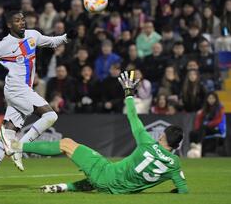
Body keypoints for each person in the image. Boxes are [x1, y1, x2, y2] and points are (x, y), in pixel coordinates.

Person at [0, 10, 77, 191]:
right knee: (50, 116)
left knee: (8, 133)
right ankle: (20, 148)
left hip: (24, 90)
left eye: (23, 19)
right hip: (16, 89)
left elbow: (51, 42)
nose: (22, 22)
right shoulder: (4, 44)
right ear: (9, 25)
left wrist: (67, 37)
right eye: (17, 20)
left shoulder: (33, 35)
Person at [10, 71, 188, 194]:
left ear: (162, 136)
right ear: (177, 145)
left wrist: (128, 93)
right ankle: (63, 187)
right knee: (101, 176)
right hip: (117, 190)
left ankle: (16, 146)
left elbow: (133, 117)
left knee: (67, 144)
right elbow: (183, 190)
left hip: (106, 176)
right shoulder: (174, 164)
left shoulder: (147, 143)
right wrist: (173, 192)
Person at [187, 92, 225, 158]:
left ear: (216, 99)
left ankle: (199, 146)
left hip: (216, 129)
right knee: (192, 133)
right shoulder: (205, 108)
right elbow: (198, 119)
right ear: (207, 99)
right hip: (205, 129)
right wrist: (197, 129)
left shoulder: (220, 108)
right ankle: (193, 148)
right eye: (209, 98)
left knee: (203, 127)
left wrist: (208, 124)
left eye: (213, 98)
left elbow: (218, 120)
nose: (211, 100)